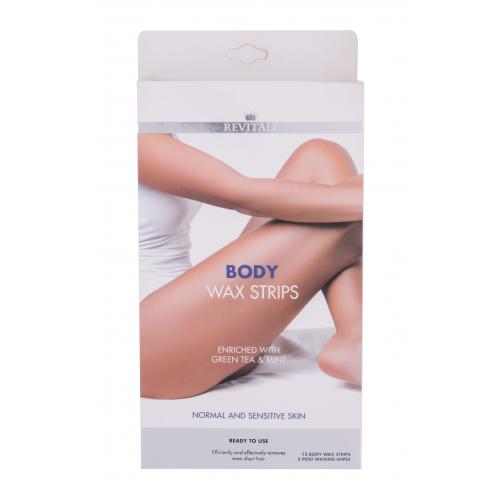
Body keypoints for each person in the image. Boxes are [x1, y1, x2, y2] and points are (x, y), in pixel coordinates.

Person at [139, 134, 363, 399]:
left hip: (204, 335)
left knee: (320, 156)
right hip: (151, 344)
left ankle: (356, 333)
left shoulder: (158, 129)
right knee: (348, 208)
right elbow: (241, 195)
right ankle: (356, 339)